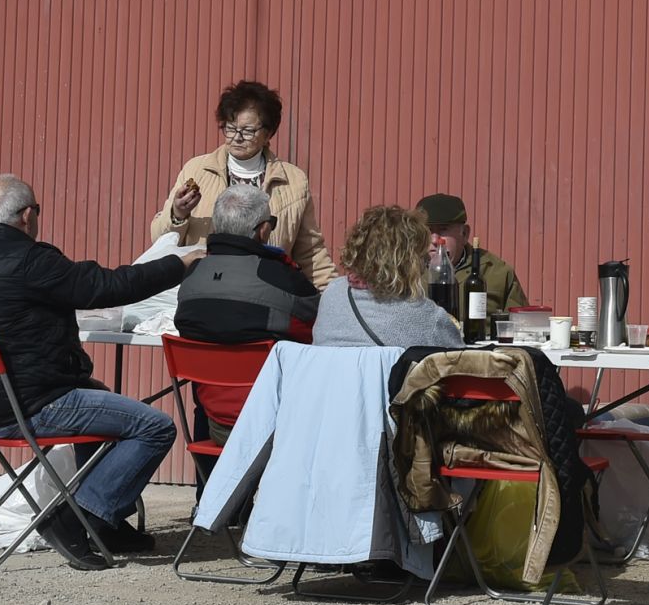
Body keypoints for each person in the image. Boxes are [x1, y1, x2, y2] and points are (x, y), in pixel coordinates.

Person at [0, 174, 201, 570]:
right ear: (28, 215)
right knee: (155, 426)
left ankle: (107, 518)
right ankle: (75, 519)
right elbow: (107, 286)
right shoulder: (32, 262)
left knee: (110, 405)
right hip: (36, 406)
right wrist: (178, 264)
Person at [153, 79, 337, 289]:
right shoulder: (196, 170)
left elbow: (311, 255)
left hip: (264, 292)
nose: (237, 138)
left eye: (248, 131)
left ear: (268, 133)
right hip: (203, 289)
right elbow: (160, 240)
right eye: (230, 128)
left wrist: (333, 302)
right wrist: (178, 215)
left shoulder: (293, 181)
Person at [173, 184, 319, 446]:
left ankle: (208, 488)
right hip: (277, 426)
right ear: (263, 230)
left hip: (214, 426)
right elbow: (313, 330)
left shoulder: (192, 278)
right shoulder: (283, 280)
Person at [312, 205, 463, 348]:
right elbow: (459, 359)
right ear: (408, 261)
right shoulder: (428, 318)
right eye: (420, 255)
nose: (425, 260)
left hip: (330, 375)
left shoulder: (332, 292)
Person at [415, 193, 528, 322]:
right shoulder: (403, 273)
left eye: (443, 230)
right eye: (427, 231)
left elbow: (522, 328)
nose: (434, 240)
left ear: (464, 234)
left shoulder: (496, 273)